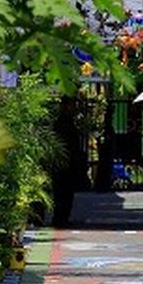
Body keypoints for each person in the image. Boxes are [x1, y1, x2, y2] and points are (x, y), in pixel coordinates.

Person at [51, 97, 86, 228]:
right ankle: (60, 218)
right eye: (72, 105)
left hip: (67, 165)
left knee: (66, 194)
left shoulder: (67, 122)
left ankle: (62, 218)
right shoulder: (62, 123)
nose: (74, 108)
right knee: (62, 193)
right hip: (63, 165)